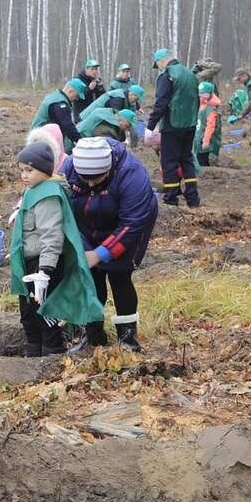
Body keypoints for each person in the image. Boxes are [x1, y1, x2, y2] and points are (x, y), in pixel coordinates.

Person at [60, 137, 159, 352]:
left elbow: (132, 224)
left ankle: (128, 338)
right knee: (92, 277)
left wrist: (101, 253)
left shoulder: (131, 175)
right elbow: (63, 206)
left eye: (97, 178)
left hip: (125, 227)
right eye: (86, 179)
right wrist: (85, 249)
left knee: (119, 275)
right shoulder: (69, 168)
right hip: (87, 224)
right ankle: (93, 336)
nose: (91, 184)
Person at [8, 142, 105, 357]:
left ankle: (52, 353)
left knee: (44, 311)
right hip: (30, 260)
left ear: (44, 170)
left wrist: (45, 272)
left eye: (29, 170)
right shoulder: (33, 189)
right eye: (21, 170)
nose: (24, 175)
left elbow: (52, 236)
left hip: (43, 263)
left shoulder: (48, 195)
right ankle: (32, 352)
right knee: (28, 311)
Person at [145, 48, 200, 207]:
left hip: (172, 125)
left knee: (169, 162)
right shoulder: (189, 74)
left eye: (158, 64)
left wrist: (150, 125)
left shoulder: (167, 75)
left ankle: (171, 198)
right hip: (189, 124)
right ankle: (192, 197)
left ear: (161, 60)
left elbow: (161, 102)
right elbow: (196, 99)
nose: (159, 67)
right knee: (186, 159)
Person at [31, 79, 85, 152]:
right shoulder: (60, 104)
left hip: (37, 133)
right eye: (77, 96)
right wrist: (81, 142)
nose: (76, 99)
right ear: (71, 91)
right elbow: (68, 127)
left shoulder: (55, 95)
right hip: (42, 139)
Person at [193, 81, 223, 166]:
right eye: (200, 95)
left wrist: (206, 141)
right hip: (198, 140)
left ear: (210, 94)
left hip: (207, 144)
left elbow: (210, 127)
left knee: (203, 163)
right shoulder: (202, 104)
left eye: (204, 94)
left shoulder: (211, 109)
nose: (201, 97)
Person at [78, 84, 143, 120]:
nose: (136, 102)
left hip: (96, 117)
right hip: (86, 118)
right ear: (131, 94)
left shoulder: (124, 96)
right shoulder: (118, 98)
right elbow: (115, 118)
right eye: (136, 99)